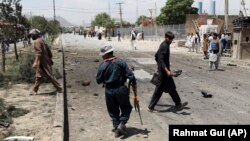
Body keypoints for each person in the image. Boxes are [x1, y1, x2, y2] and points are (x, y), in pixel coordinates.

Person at [96, 45, 136, 137]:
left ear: (106, 54)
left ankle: (117, 128)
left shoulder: (103, 65)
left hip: (109, 90)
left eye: (103, 55)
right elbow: (131, 76)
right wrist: (133, 82)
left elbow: (98, 80)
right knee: (126, 107)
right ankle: (121, 124)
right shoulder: (121, 62)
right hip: (121, 89)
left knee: (113, 110)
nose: (102, 56)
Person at [148, 31, 188, 112]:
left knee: (172, 88)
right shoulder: (164, 46)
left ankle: (178, 103)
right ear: (166, 37)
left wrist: (160, 67)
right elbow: (161, 59)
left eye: (172, 39)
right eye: (170, 39)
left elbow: (156, 56)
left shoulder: (165, 44)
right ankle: (151, 107)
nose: (171, 41)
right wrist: (165, 70)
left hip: (165, 72)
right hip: (164, 73)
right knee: (158, 90)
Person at [29, 29, 62, 95]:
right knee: (39, 76)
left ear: (35, 35)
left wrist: (36, 62)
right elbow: (48, 51)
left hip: (42, 62)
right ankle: (35, 90)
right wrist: (50, 59)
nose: (31, 36)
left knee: (49, 75)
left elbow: (38, 53)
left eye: (32, 35)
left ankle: (59, 88)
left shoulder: (37, 42)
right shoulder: (42, 40)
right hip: (45, 61)